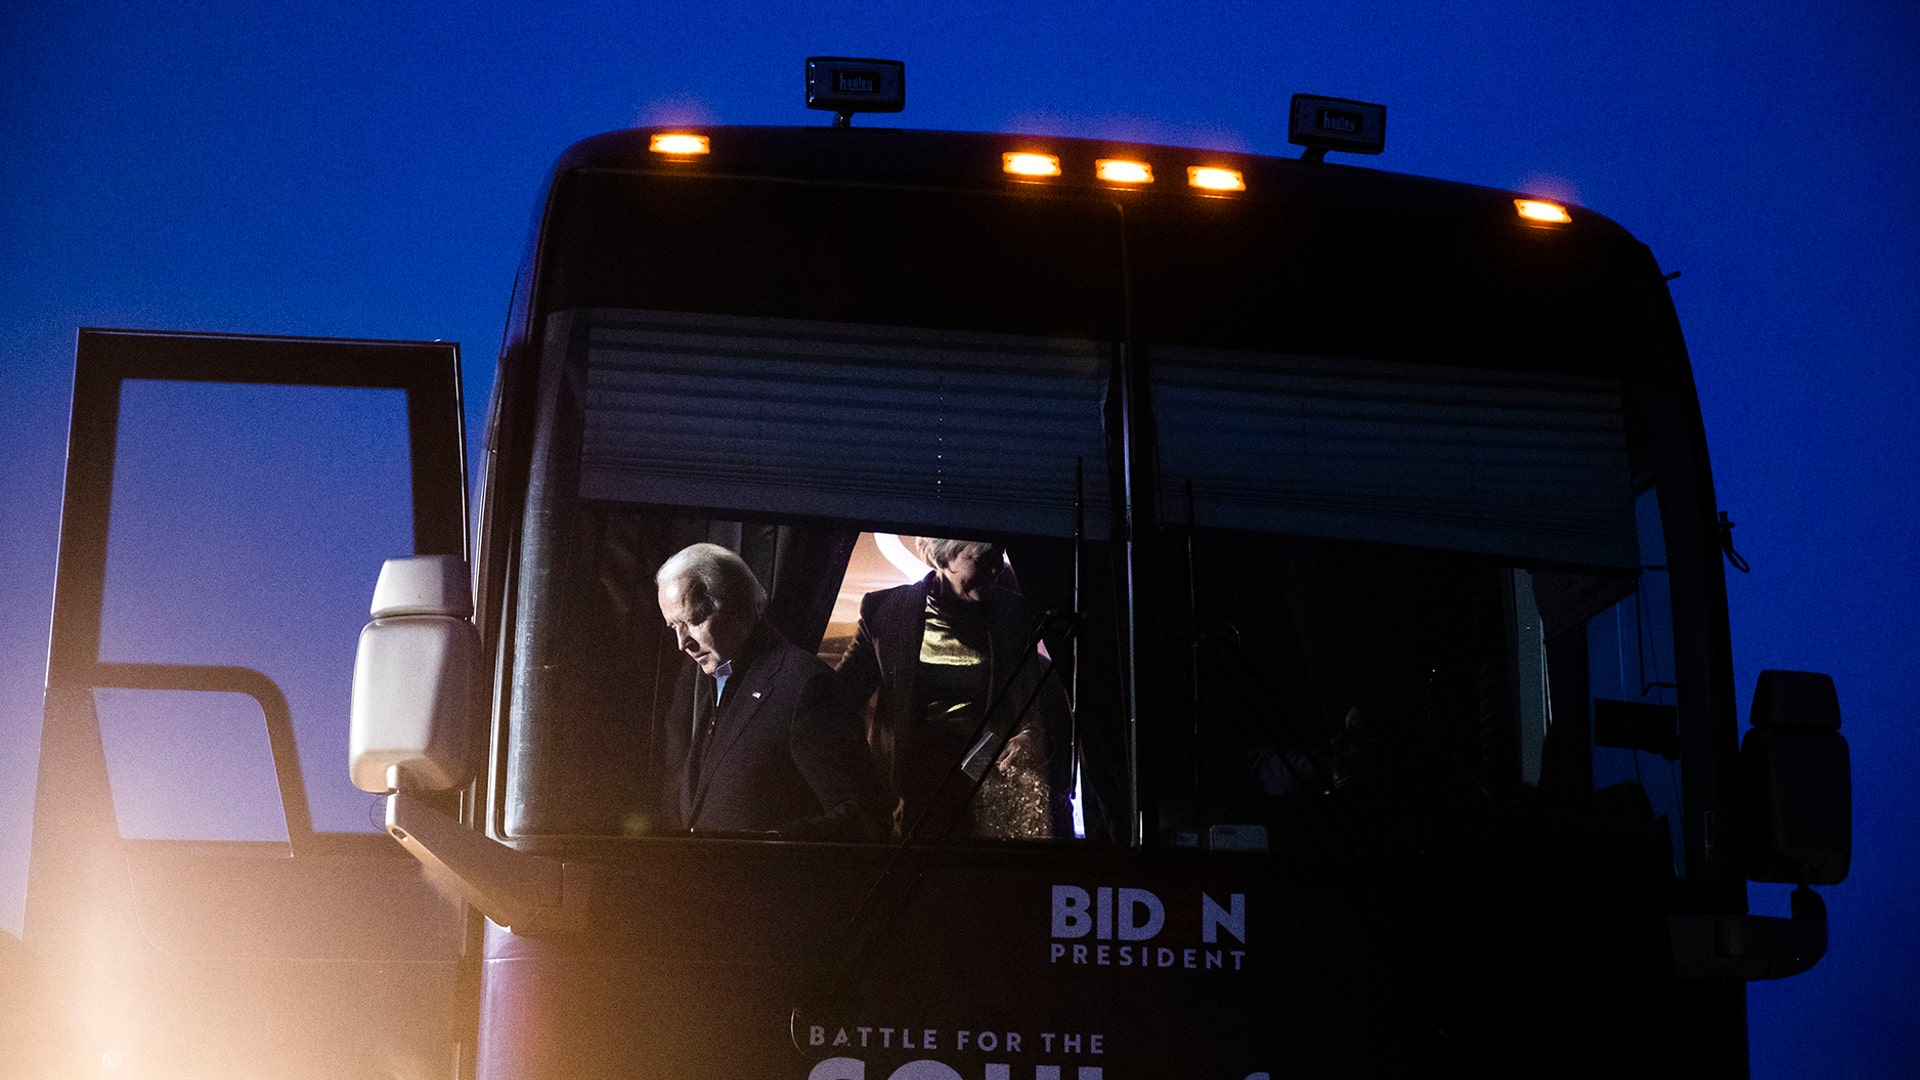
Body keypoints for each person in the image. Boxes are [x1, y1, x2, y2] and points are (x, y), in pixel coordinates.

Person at [835, 537, 1070, 840]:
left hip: (988, 793)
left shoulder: (1015, 613)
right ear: (943, 559)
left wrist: (1030, 736)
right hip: (909, 794)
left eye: (999, 556)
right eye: (983, 560)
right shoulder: (884, 610)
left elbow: (1034, 701)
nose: (997, 569)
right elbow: (840, 697)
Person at [654, 542, 883, 840]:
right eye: (674, 627)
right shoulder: (710, 678)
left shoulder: (806, 685)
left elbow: (864, 816)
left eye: (693, 621)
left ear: (740, 605)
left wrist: (769, 846)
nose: (682, 643)